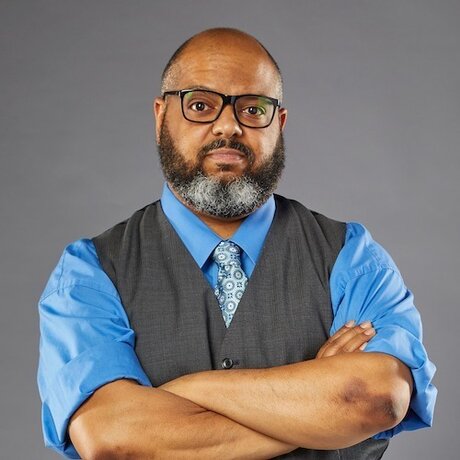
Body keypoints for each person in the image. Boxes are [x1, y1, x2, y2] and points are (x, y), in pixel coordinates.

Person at [37, 28, 437, 459]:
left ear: (279, 124)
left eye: (253, 108)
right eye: (200, 105)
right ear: (160, 117)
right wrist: (319, 407)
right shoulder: (90, 272)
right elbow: (113, 438)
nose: (228, 125)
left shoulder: (352, 257)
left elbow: (375, 400)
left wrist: (182, 393)